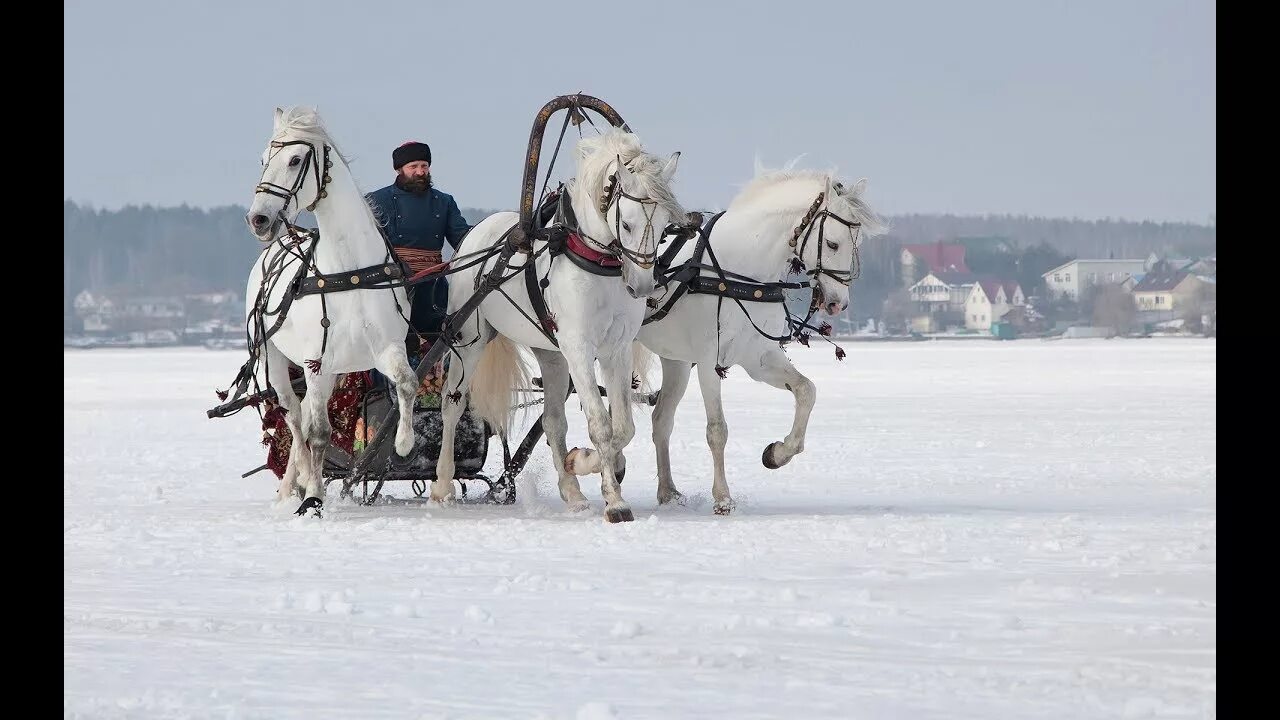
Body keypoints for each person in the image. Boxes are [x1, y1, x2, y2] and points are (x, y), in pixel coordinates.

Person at [365, 141, 471, 362]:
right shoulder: (376, 200)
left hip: (434, 289)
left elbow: (463, 239)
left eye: (424, 165)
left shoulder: (444, 202)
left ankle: (443, 389)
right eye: (413, 166)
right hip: (392, 289)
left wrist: (492, 235)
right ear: (399, 169)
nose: (421, 172)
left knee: (446, 344)